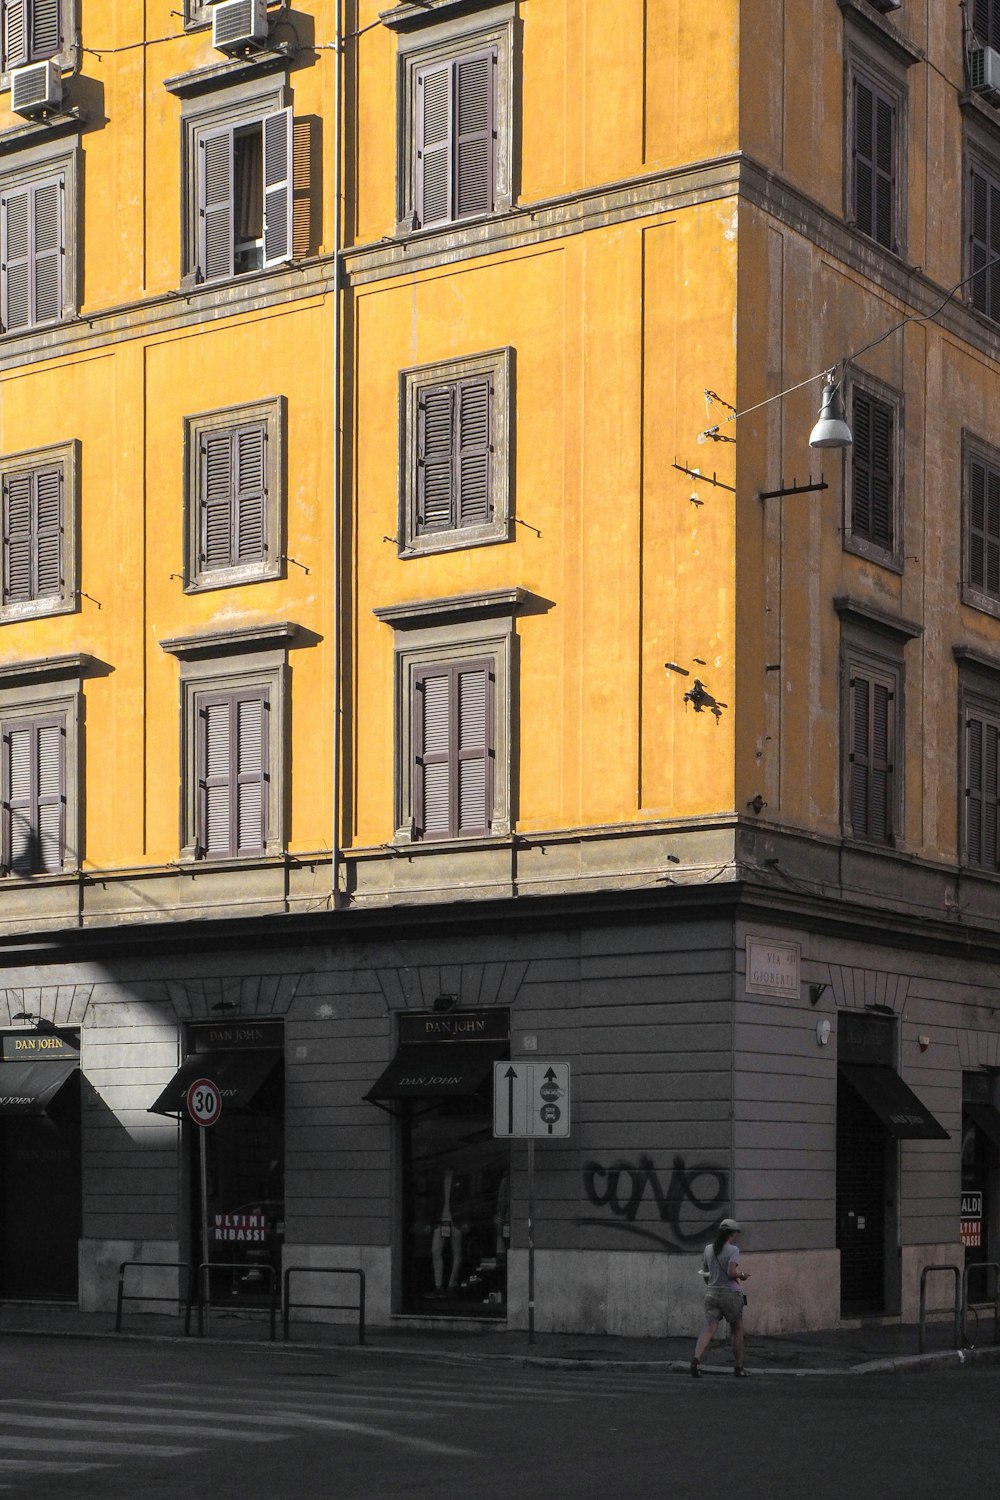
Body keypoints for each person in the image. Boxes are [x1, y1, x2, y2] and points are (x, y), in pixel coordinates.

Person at [691, 1217, 750, 1378]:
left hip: (712, 1292)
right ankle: (738, 1368)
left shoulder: (708, 1249)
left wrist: (713, 1281)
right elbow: (732, 1273)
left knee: (708, 1328)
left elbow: (705, 1274)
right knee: (737, 1330)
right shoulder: (733, 1250)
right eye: (735, 1233)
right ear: (732, 1234)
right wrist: (742, 1275)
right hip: (730, 1294)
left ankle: (696, 1360)